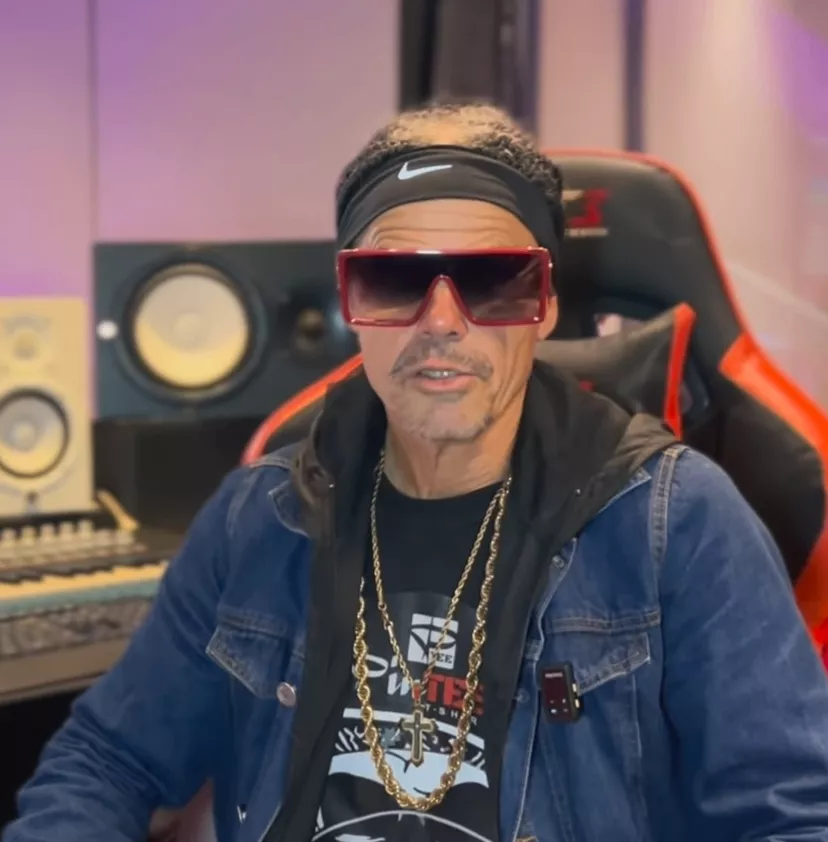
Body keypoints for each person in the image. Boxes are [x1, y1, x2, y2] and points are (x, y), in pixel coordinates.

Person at [5, 102, 828, 842]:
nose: (441, 322)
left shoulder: (677, 522)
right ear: (350, 302)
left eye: (491, 280)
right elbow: (107, 761)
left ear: (543, 304)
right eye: (395, 280)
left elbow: (793, 814)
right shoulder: (259, 516)